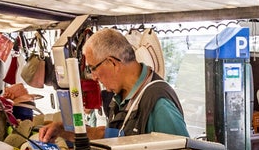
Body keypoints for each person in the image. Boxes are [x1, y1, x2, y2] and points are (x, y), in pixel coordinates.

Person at [37, 28, 187, 142]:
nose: (94, 77)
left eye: (93, 68)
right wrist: (62, 130)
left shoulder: (158, 102)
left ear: (112, 63)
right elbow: (109, 136)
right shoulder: (119, 98)